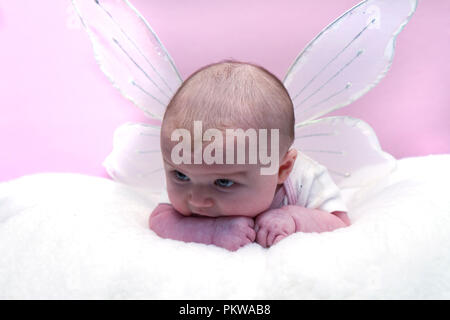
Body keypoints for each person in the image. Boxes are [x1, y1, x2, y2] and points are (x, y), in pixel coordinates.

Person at [149, 60, 350, 251]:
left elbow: (339, 223)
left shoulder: (304, 179)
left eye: (223, 182)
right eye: (180, 176)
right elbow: (160, 220)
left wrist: (294, 219)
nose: (198, 200)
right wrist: (210, 233)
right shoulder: (193, 165)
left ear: (282, 169)